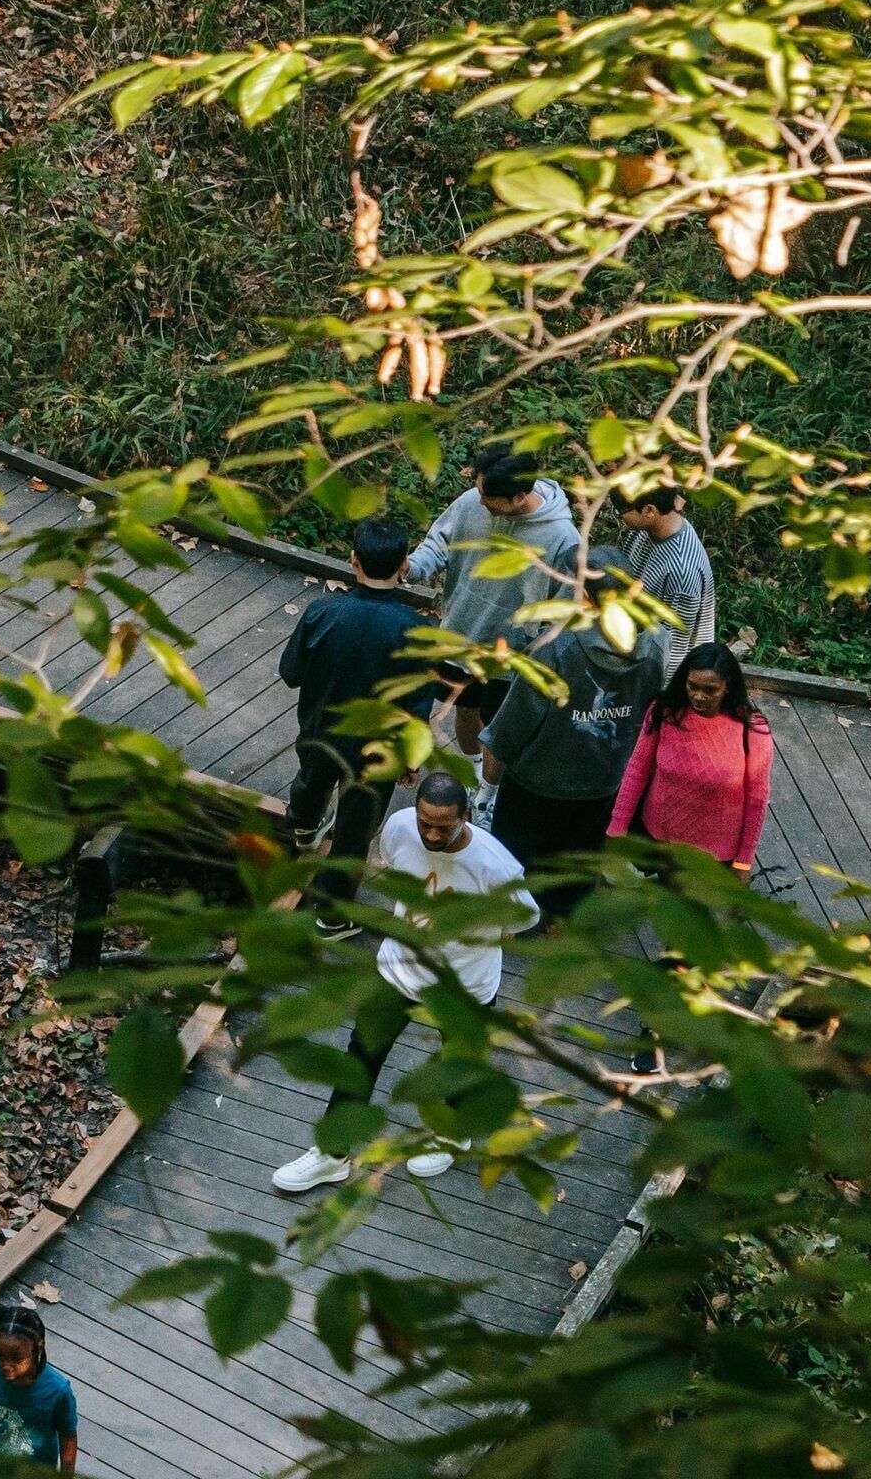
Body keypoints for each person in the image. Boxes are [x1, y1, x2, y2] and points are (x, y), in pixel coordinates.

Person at [272, 771, 530, 1195]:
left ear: (466, 816)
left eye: (443, 827)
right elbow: (394, 862)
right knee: (361, 1053)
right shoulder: (398, 828)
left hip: (461, 984)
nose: (430, 834)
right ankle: (332, 1154)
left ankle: (452, 1135)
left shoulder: (495, 865)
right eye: (424, 822)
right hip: (399, 967)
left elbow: (523, 917)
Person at [276, 518, 436, 930]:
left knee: (312, 783)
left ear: (353, 560)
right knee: (353, 830)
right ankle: (332, 918)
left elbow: (290, 672)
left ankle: (303, 827)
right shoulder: (416, 630)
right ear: (404, 564)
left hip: (319, 732)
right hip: (376, 751)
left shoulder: (323, 611)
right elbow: (418, 704)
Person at [480, 575, 665, 923]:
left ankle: (509, 920)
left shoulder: (557, 650)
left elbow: (511, 726)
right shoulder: (655, 647)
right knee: (580, 860)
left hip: (537, 781)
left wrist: (488, 788)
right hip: (604, 781)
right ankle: (561, 921)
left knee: (513, 860)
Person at [401, 455, 584, 754]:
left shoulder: (562, 537)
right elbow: (438, 543)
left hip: (510, 656)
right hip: (460, 635)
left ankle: (488, 787)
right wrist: (413, 567)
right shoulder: (473, 500)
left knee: (499, 726)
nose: (481, 500)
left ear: (519, 497)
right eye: (479, 490)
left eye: (488, 497)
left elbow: (564, 607)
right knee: (466, 710)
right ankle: (473, 772)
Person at [609, 642, 772, 873]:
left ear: (727, 687)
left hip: (713, 857)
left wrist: (744, 861)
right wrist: (617, 828)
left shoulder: (752, 729)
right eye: (692, 686)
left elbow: (757, 799)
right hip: (657, 842)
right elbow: (637, 770)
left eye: (710, 690)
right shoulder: (664, 712)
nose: (698, 696)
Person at [594, 485, 717, 680]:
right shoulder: (644, 528)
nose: (620, 518)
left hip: (660, 669)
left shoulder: (681, 572)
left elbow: (673, 651)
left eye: (622, 512)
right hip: (636, 644)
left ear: (649, 510)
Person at [0, 1303, 80, 1469]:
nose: (6, 1366)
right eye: (0, 1356)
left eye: (17, 1359)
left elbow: (68, 1436)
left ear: (38, 1347)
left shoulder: (58, 1391)